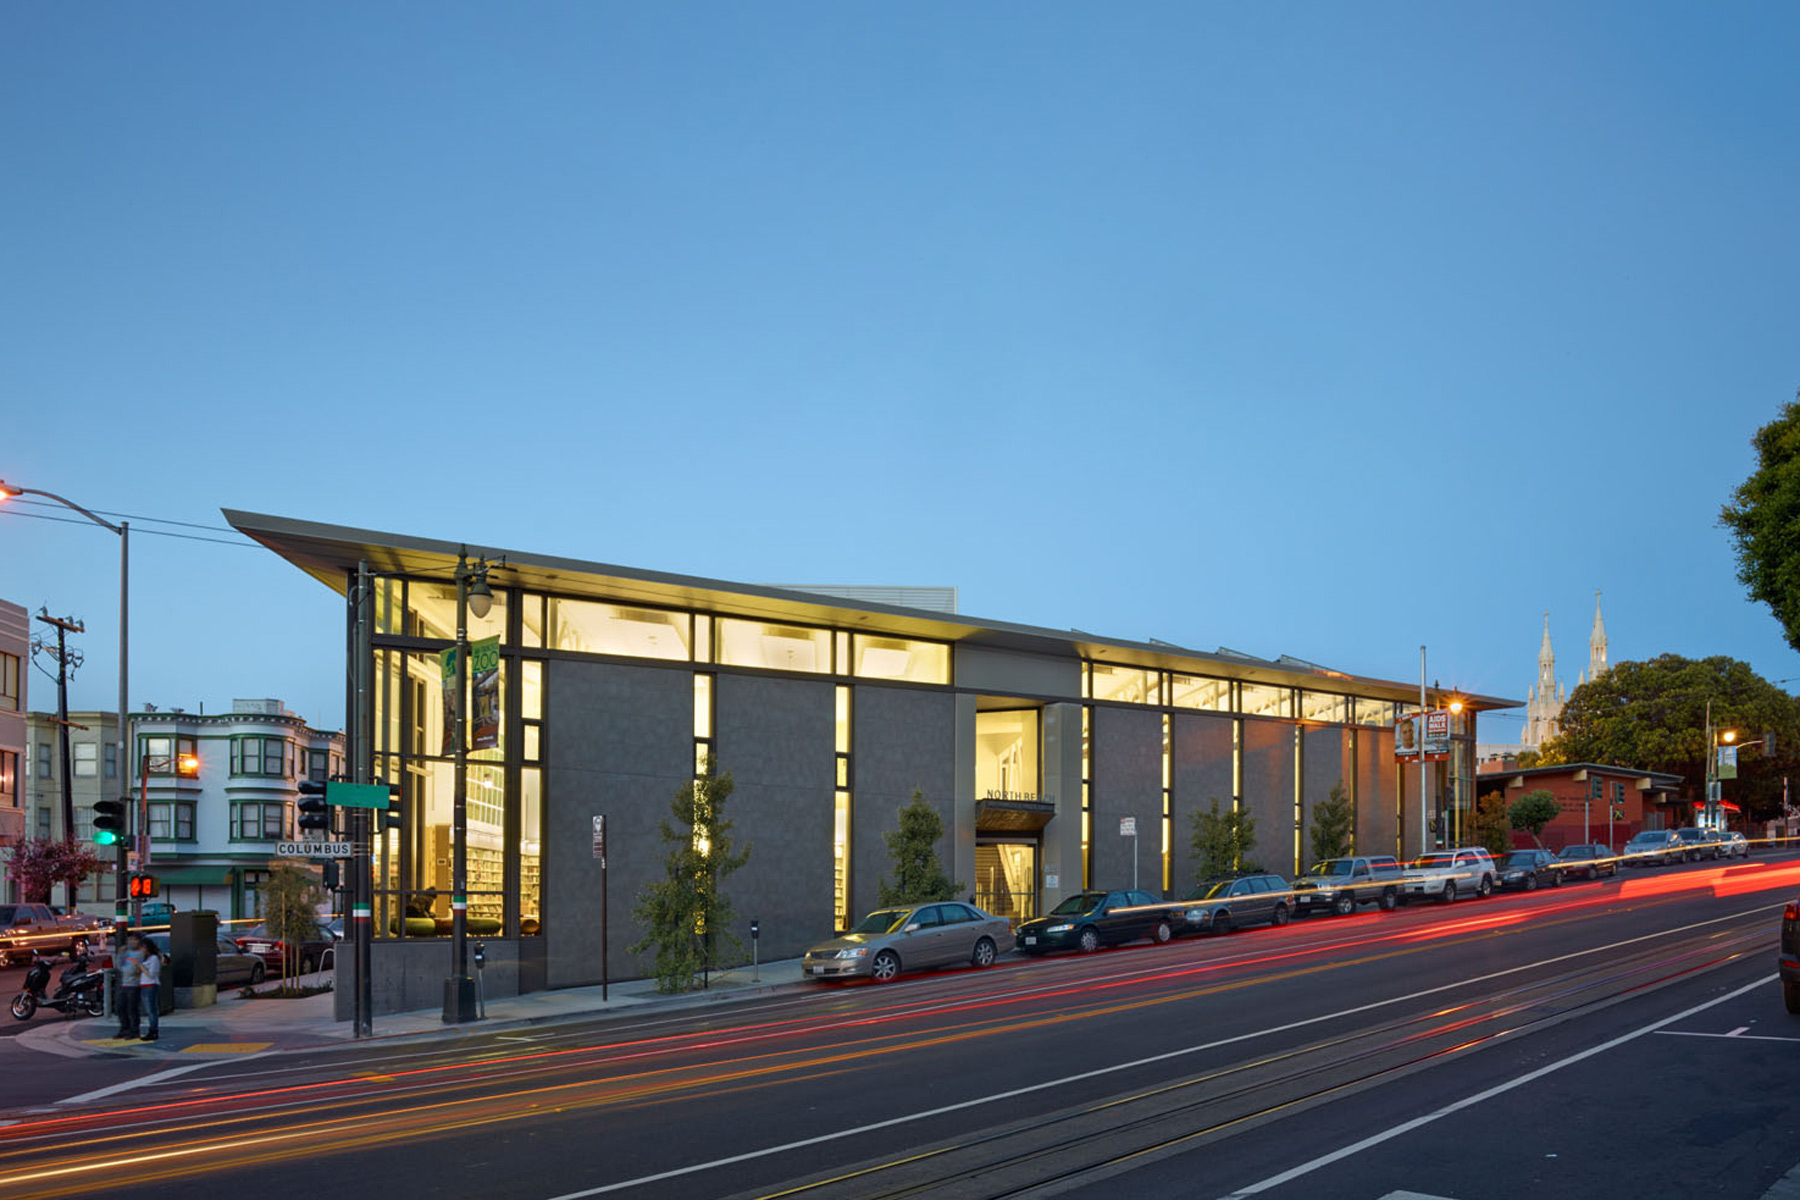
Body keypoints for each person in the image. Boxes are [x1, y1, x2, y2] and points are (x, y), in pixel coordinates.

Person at [116, 933, 144, 1039]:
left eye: (134, 940)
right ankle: (124, 1028)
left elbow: (136, 968)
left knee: (132, 1008)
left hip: (135, 984)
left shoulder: (141, 953)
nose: (132, 942)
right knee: (120, 1007)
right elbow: (119, 966)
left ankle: (134, 1030)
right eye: (130, 940)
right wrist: (120, 954)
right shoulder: (126, 952)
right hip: (125, 983)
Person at [138, 936, 163, 1041]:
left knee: (151, 1010)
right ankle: (152, 1029)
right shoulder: (146, 959)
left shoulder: (154, 959)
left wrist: (140, 967)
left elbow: (151, 974)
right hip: (144, 985)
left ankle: (153, 1030)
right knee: (149, 1010)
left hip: (151, 985)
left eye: (142, 948)